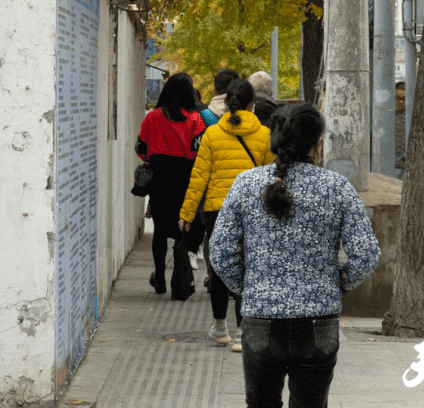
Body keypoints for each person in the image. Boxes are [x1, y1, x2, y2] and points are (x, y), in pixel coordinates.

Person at [210, 101, 381, 408]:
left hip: (261, 318)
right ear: (317, 142)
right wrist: (334, 283)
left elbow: (220, 252)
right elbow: (366, 255)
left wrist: (249, 287)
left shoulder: (246, 184)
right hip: (318, 322)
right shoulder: (337, 187)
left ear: (275, 140)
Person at [180, 77, 273, 349]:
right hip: (253, 211)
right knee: (249, 268)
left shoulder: (212, 134)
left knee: (219, 269)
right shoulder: (265, 136)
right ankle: (244, 333)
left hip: (217, 211)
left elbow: (199, 178)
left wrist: (186, 213)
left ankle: (221, 329)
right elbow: (271, 179)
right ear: (253, 103)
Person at [135, 72, 206, 300]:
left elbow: (141, 149)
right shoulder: (195, 120)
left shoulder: (152, 117)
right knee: (182, 228)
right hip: (185, 180)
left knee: (160, 230)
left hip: (159, 180)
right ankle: (180, 277)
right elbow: (199, 151)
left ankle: (160, 280)